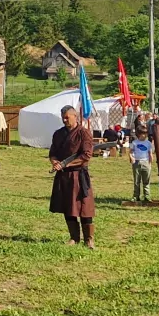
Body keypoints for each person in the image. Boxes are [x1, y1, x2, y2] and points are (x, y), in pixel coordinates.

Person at [49, 104, 96, 247]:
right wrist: (55, 162)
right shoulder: (58, 134)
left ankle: (89, 239)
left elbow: (86, 155)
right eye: (63, 118)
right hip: (63, 176)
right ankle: (74, 238)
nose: (64, 120)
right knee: (67, 206)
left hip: (79, 175)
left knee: (84, 207)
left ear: (75, 116)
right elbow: (53, 153)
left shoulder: (84, 133)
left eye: (67, 118)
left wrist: (66, 164)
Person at [129, 129, 153, 203]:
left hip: (146, 162)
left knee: (146, 181)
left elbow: (150, 153)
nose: (145, 135)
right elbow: (130, 152)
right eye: (143, 134)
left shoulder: (148, 143)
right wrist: (131, 158)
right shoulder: (134, 143)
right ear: (138, 134)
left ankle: (147, 196)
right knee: (137, 181)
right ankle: (136, 196)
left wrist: (150, 162)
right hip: (137, 162)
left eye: (146, 134)